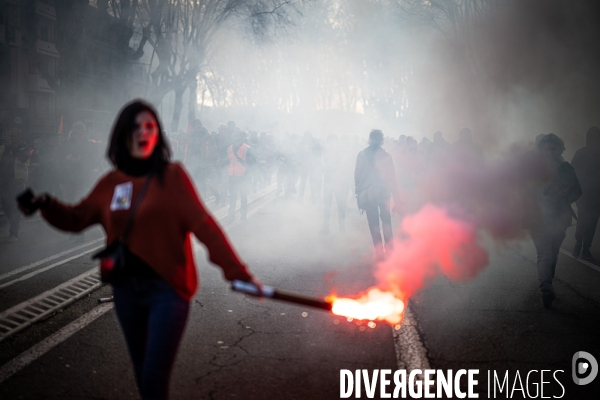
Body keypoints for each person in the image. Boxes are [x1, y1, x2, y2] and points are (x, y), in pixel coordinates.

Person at [18, 100, 261, 400]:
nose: (144, 132)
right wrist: (45, 204)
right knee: (143, 375)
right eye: (136, 127)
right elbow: (76, 218)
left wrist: (239, 274)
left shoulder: (172, 177)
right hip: (126, 293)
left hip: (168, 292)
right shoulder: (111, 182)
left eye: (150, 126)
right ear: (123, 134)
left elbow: (206, 227)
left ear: (157, 134)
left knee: (152, 380)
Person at [521, 133, 581, 308]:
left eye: (554, 147)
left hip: (559, 218)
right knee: (545, 253)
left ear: (559, 149)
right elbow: (522, 190)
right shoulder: (532, 169)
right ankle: (546, 288)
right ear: (541, 149)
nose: (551, 151)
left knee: (553, 254)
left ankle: (547, 284)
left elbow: (578, 191)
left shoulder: (566, 169)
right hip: (537, 218)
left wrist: (565, 195)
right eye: (547, 147)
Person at [354, 129, 402, 260]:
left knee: (373, 224)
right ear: (382, 140)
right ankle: (390, 252)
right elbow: (392, 178)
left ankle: (380, 254)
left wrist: (359, 192)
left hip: (368, 194)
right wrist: (397, 198)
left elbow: (357, 176)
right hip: (384, 193)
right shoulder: (386, 156)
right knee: (386, 221)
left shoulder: (361, 155)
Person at [571, 126, 600, 262]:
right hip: (583, 194)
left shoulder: (581, 153)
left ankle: (585, 247)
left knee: (592, 222)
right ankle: (579, 243)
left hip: (595, 195)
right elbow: (571, 172)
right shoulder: (581, 153)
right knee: (584, 219)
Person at [0, 130, 30, 242]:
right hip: (4, 181)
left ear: (19, 137)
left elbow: (23, 158)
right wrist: (6, 146)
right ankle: (15, 224)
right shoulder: (3, 148)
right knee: (6, 206)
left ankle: (14, 232)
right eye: (9, 136)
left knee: (14, 206)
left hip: (17, 181)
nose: (11, 138)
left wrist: (11, 146)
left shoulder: (23, 146)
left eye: (13, 136)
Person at [227, 130, 255, 221]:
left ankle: (243, 215)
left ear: (242, 137)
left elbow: (252, 163)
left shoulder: (247, 148)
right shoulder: (229, 148)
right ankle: (231, 215)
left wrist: (248, 174)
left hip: (243, 176)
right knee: (232, 196)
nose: (235, 138)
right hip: (232, 176)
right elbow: (227, 161)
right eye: (234, 136)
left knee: (243, 196)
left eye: (237, 136)